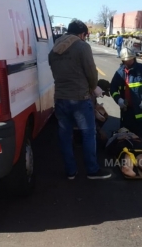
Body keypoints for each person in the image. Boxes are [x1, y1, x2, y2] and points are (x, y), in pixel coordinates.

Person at [48, 19, 112, 180]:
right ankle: (92, 170)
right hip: (80, 99)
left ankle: (71, 172)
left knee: (65, 136)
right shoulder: (82, 46)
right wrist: (93, 88)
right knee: (88, 134)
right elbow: (91, 73)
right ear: (82, 34)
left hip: (61, 98)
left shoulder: (54, 49)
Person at [109, 47, 142, 141]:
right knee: (128, 136)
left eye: (130, 59)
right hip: (128, 112)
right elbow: (113, 88)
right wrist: (118, 100)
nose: (128, 62)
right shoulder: (120, 72)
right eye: (126, 60)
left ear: (134, 58)